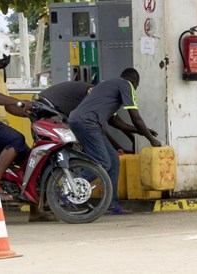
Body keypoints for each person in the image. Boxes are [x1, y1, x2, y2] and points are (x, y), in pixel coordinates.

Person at [0, 32, 54, 222]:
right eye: (7, 52)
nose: (8, 57)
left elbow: (7, 106)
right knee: (16, 139)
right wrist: (19, 102)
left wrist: (31, 113)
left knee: (30, 159)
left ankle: (35, 211)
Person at [68, 68, 162, 214]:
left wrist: (141, 133)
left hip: (82, 121)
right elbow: (135, 117)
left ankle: (112, 204)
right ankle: (67, 192)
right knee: (103, 162)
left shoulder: (108, 85)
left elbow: (115, 122)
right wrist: (151, 140)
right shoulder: (126, 85)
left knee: (113, 160)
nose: (135, 90)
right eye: (136, 87)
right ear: (135, 82)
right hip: (87, 123)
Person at [40, 81, 138, 153]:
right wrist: (119, 149)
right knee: (76, 143)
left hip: (53, 105)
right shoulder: (96, 95)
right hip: (48, 106)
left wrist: (134, 138)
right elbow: (98, 130)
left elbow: (115, 121)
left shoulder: (104, 95)